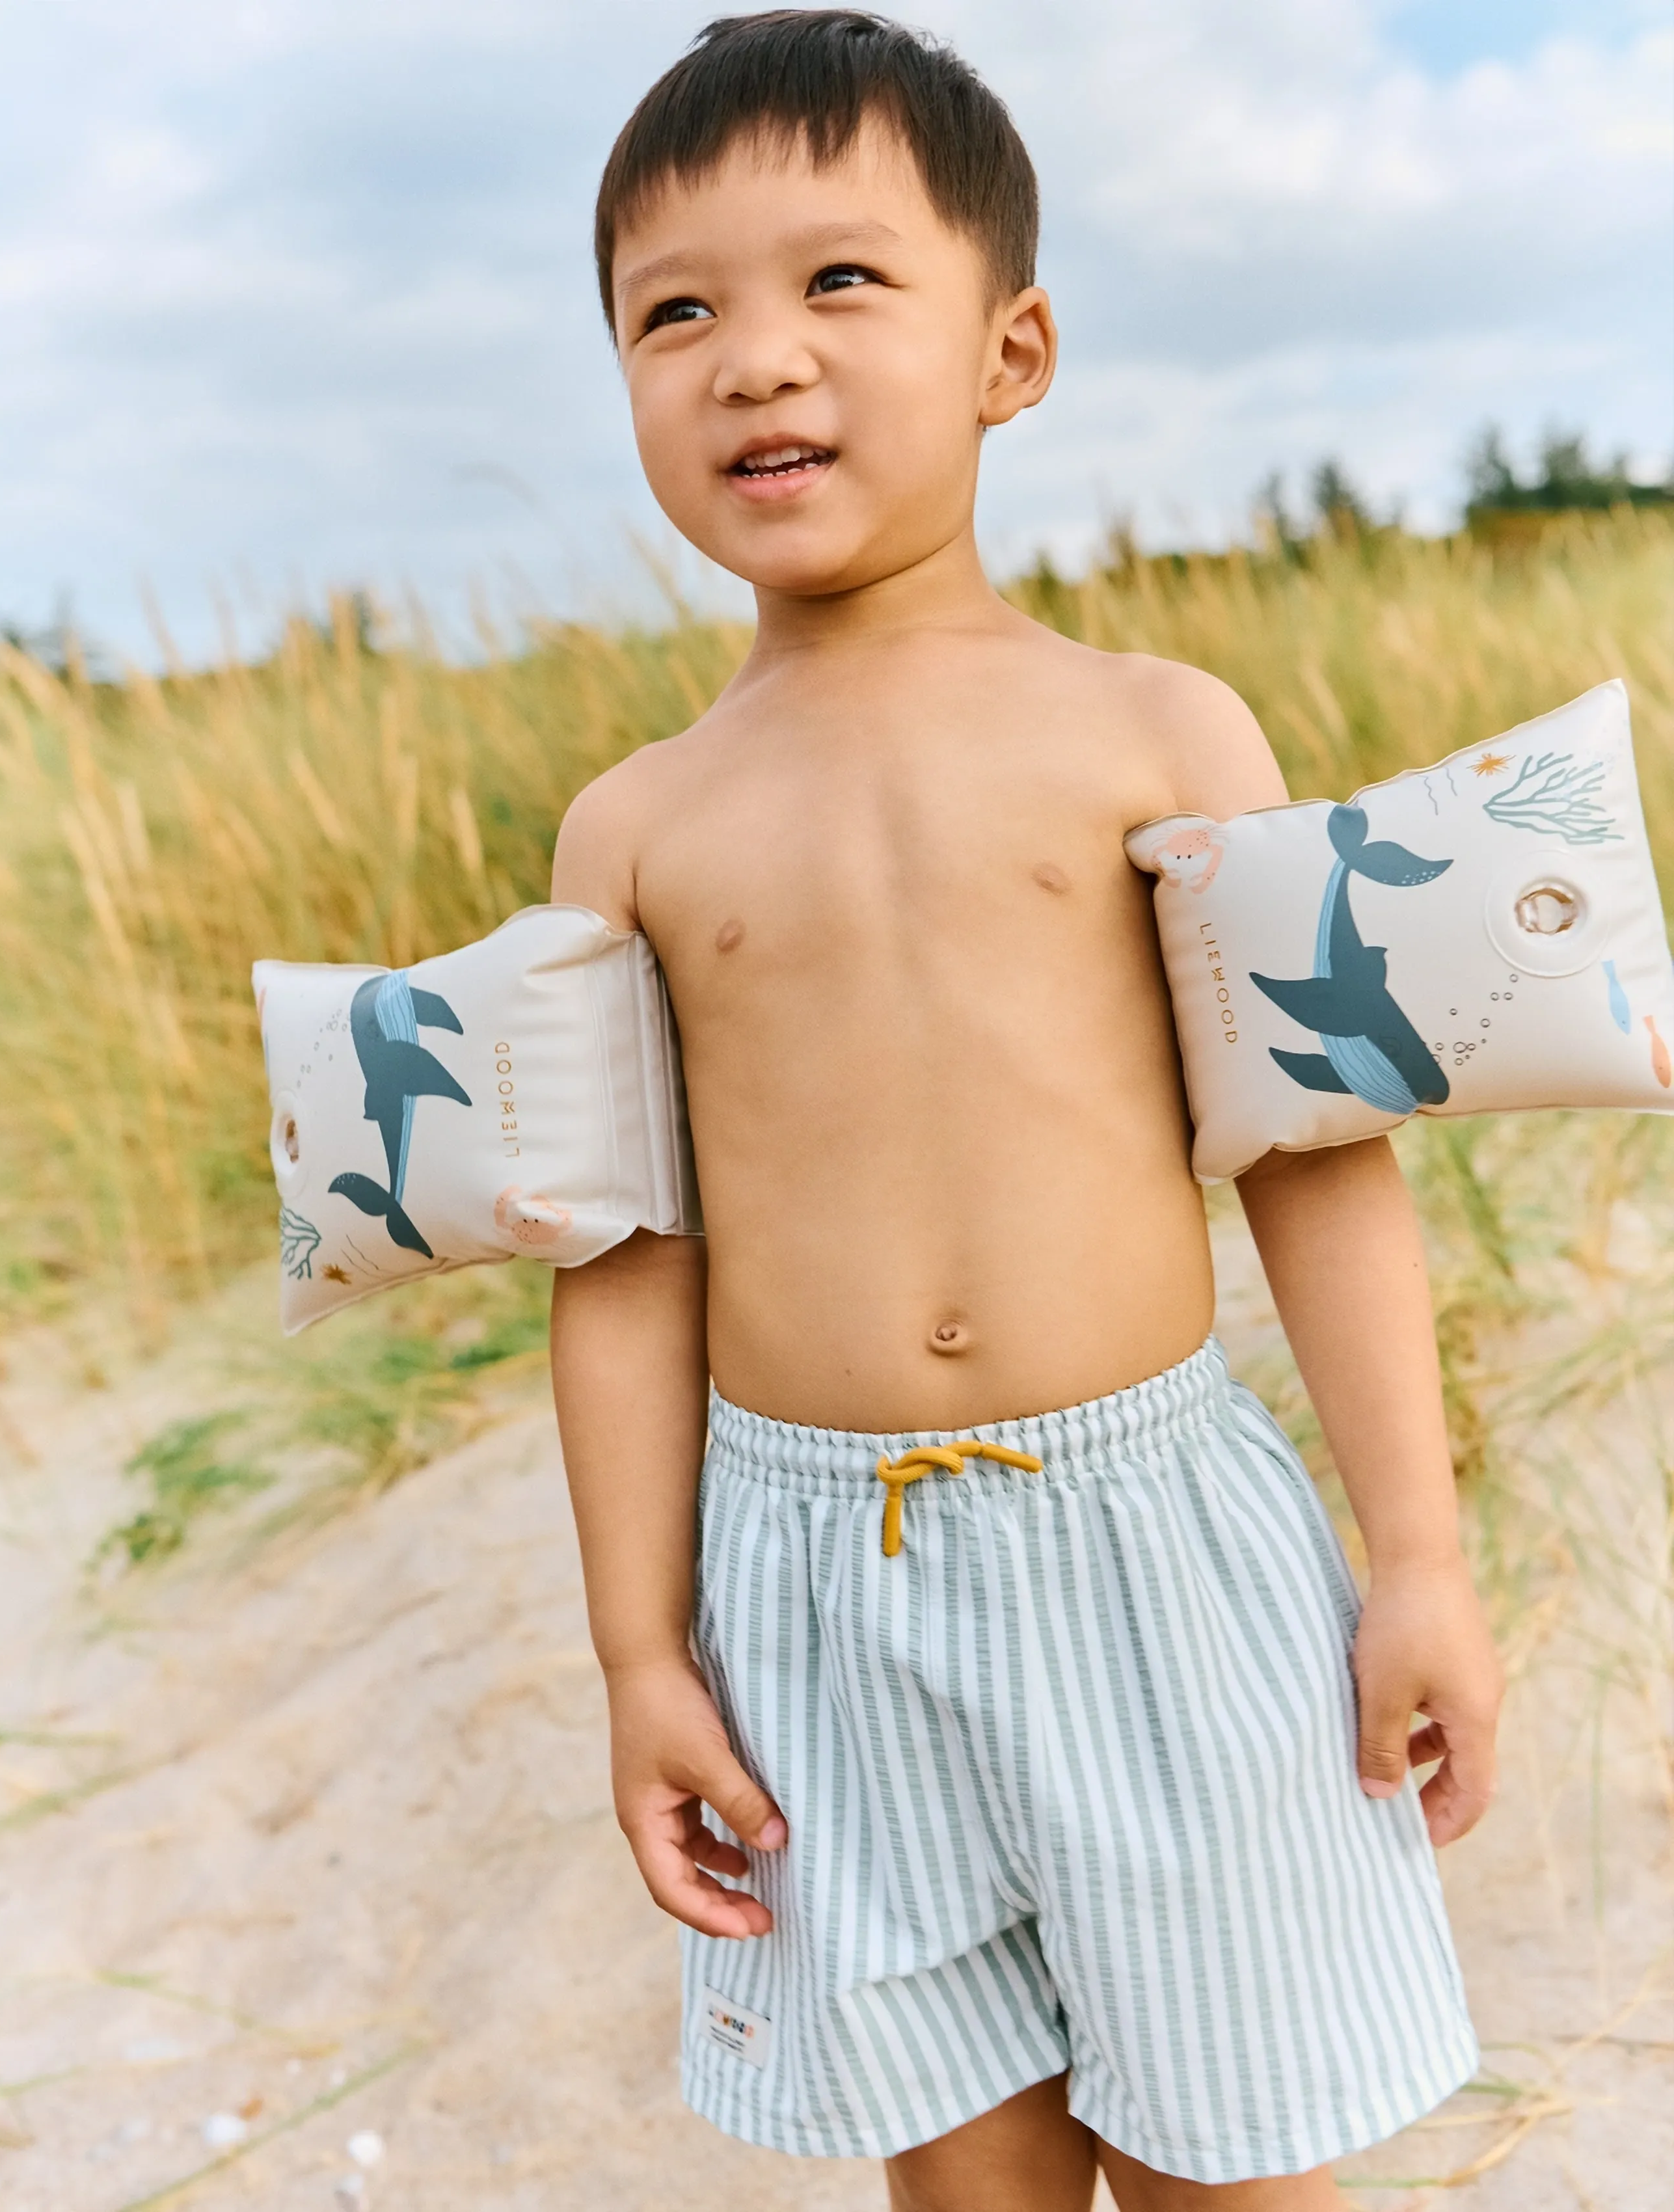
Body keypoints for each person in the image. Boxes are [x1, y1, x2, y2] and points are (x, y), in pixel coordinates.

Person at [547, 14, 1501, 2208]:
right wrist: (638, 1651)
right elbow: (624, 1273)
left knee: (1237, 2160)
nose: (754, 360)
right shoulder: (635, 828)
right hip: (815, 1593)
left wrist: (1420, 1558)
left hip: (1154, 1547)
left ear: (1015, 347)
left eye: (840, 283)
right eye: (672, 312)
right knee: (963, 2185)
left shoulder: (1161, 732)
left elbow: (1320, 1162)